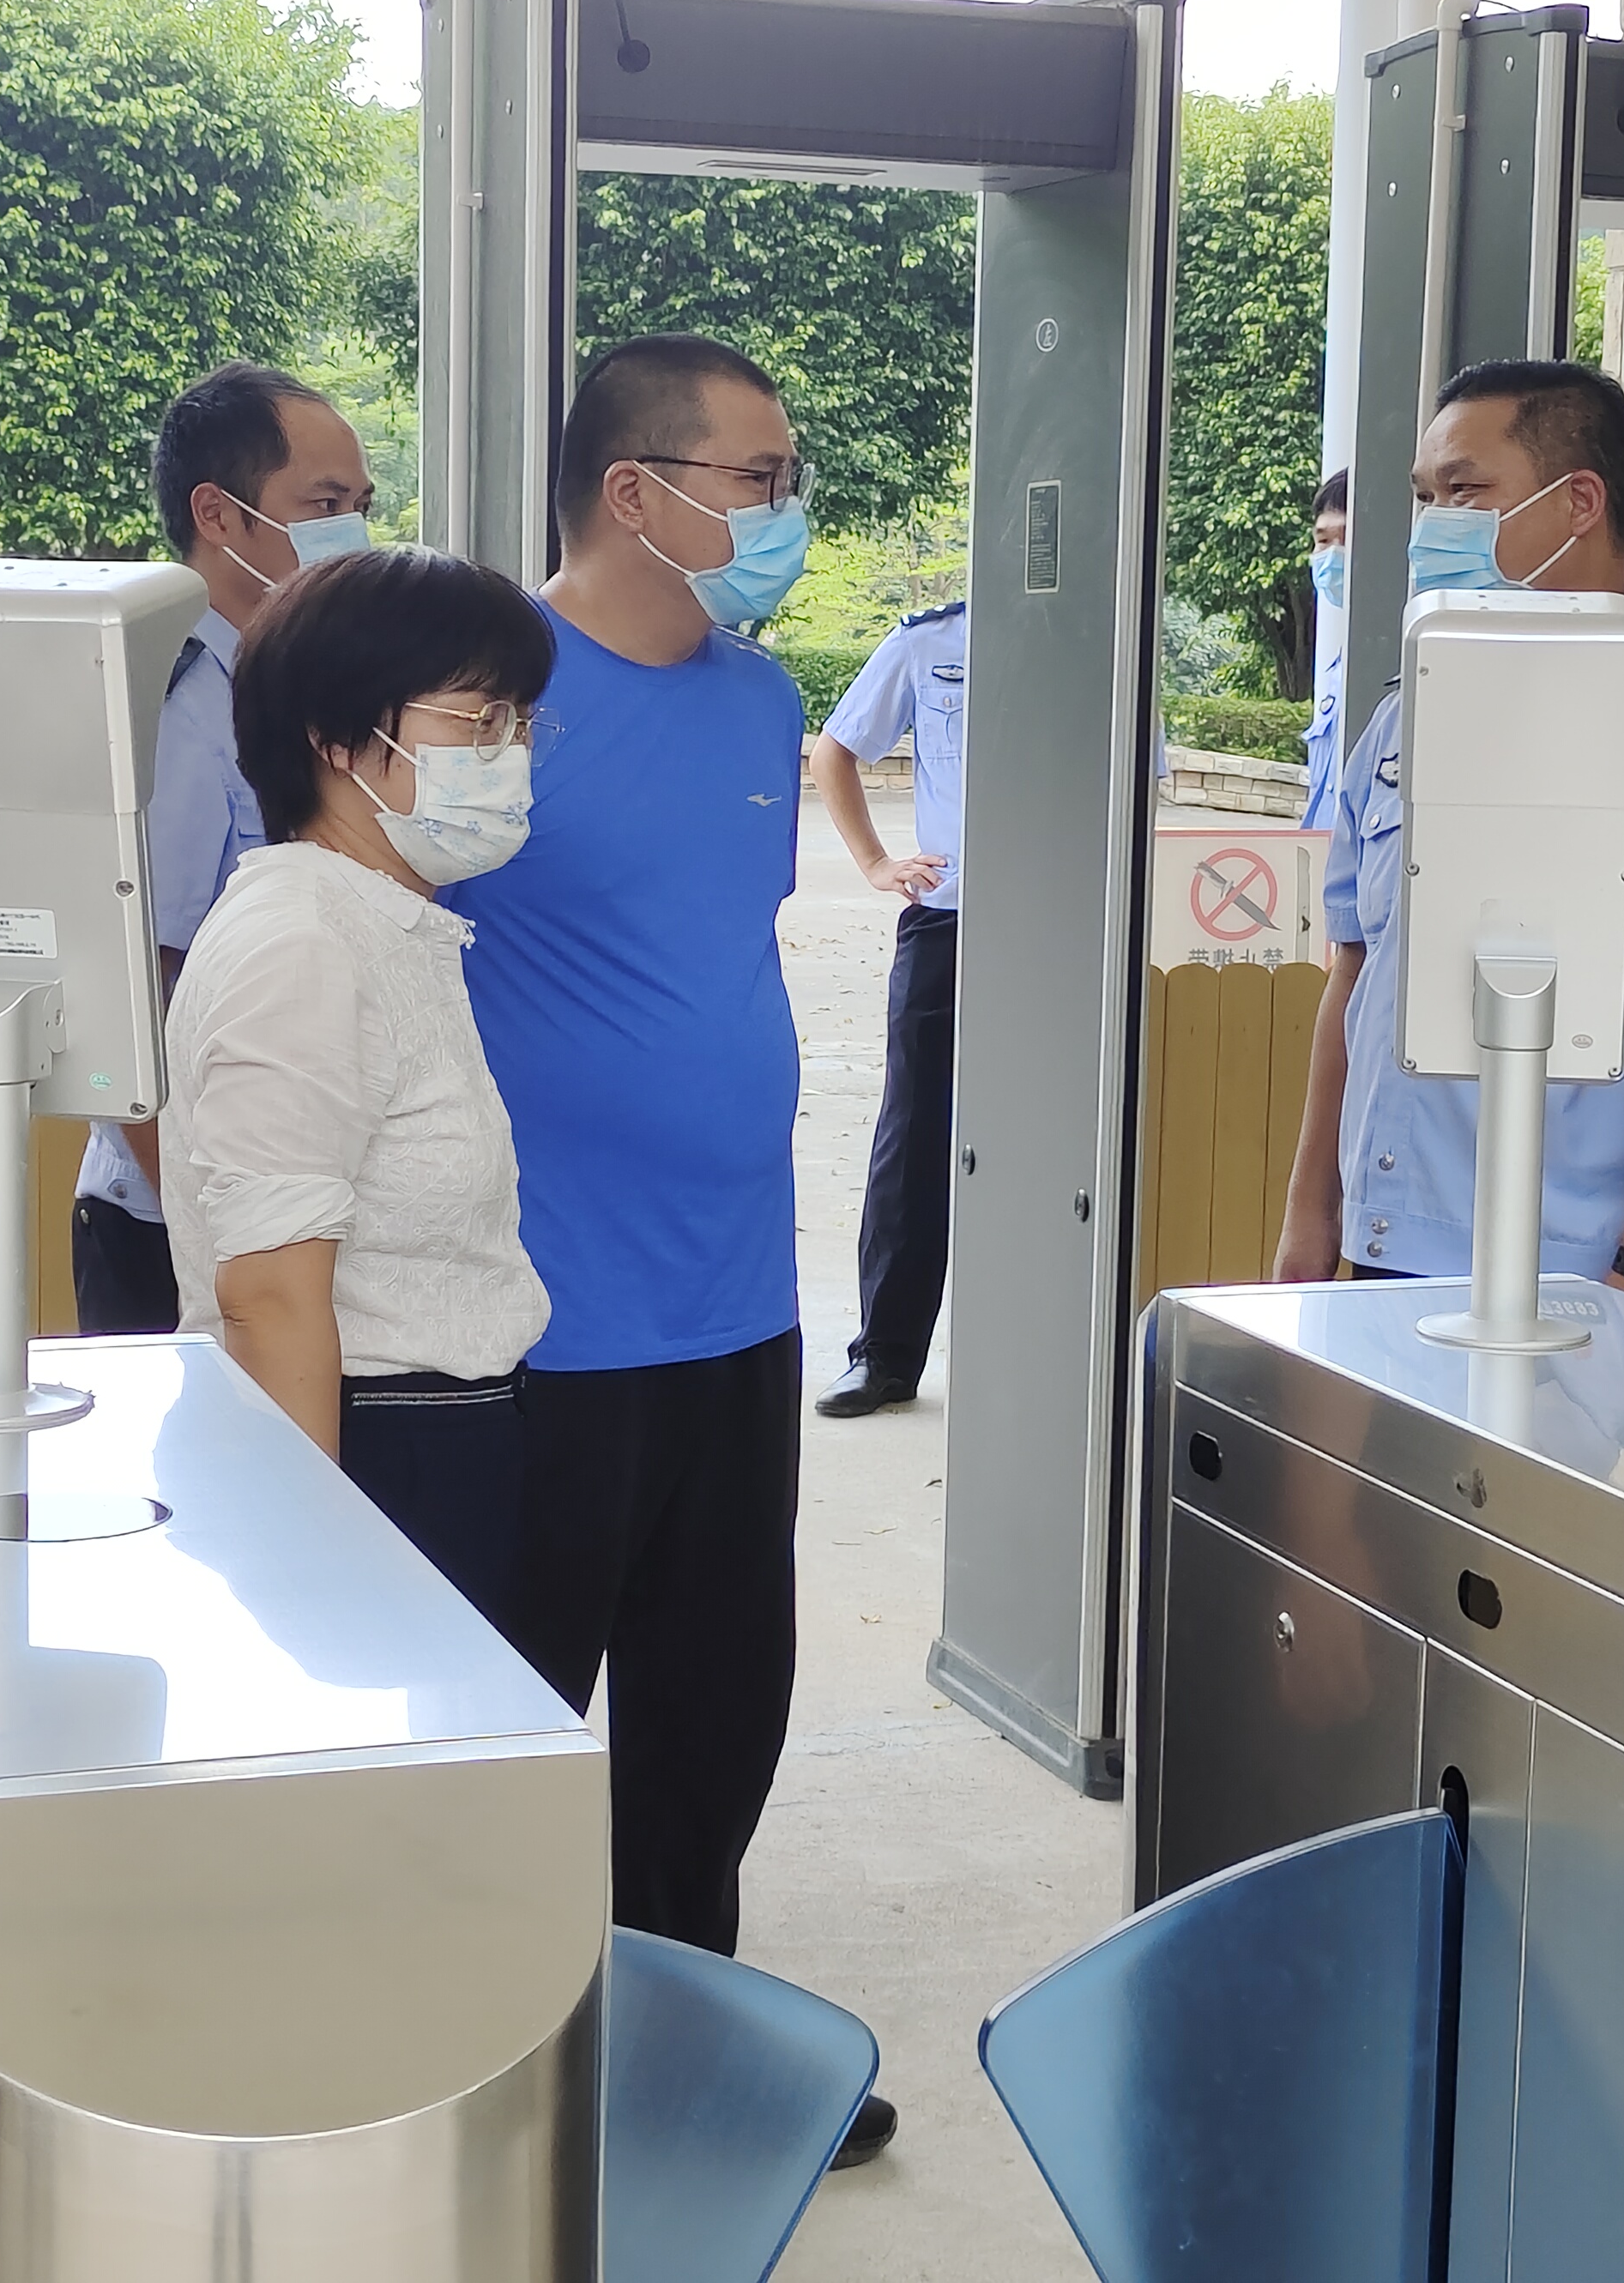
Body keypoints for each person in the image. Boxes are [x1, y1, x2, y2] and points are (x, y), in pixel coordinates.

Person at [439, 332, 897, 2168]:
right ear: (634, 492)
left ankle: (686, 2057)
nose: (785, 510)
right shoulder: (484, 698)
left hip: (735, 1306)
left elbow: (710, 955)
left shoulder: (756, 701)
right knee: (509, 1732)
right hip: (540, 1328)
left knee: (712, 1724)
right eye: (757, 479)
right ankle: (492, 2094)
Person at [1271, 359, 1624, 1311]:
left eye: (1466, 492)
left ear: (1579, 504)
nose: (1435, 526)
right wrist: (1310, 1216)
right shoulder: (1402, 722)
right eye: (1427, 497)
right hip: (1389, 1247)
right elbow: (1354, 972)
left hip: (1574, 1277)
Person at [159, 546, 555, 1628]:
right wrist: (313, 1565)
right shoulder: (301, 942)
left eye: (522, 723)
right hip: (375, 1442)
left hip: (448, 1435)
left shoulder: (380, 919)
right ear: (334, 738)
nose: (510, 753)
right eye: (478, 721)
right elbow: (269, 1294)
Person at [69, 363, 376, 1335]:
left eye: (362, 507)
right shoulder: (170, 709)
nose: (351, 532)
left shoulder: (313, 692)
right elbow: (129, 997)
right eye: (323, 505)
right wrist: (204, 1234)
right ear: (218, 515)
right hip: (190, 1222)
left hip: (296, 1203)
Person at [808, 594, 966, 1418]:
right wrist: (876, 862)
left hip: (1069, 931)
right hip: (949, 922)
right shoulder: (927, 643)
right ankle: (885, 1356)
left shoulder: (1108, 640)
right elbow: (834, 752)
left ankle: (1050, 1355)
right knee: (914, 1136)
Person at [1297, 468, 1353, 831]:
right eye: (1323, 540)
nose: (1332, 555)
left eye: (1346, 538)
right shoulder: (1339, 668)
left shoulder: (1410, 662)